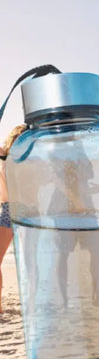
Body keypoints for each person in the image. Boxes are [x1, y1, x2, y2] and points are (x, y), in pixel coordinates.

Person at [0, 124, 27, 314]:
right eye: (18, 138)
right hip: (7, 209)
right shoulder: (3, 156)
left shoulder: (28, 160)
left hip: (26, 211)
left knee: (31, 261)